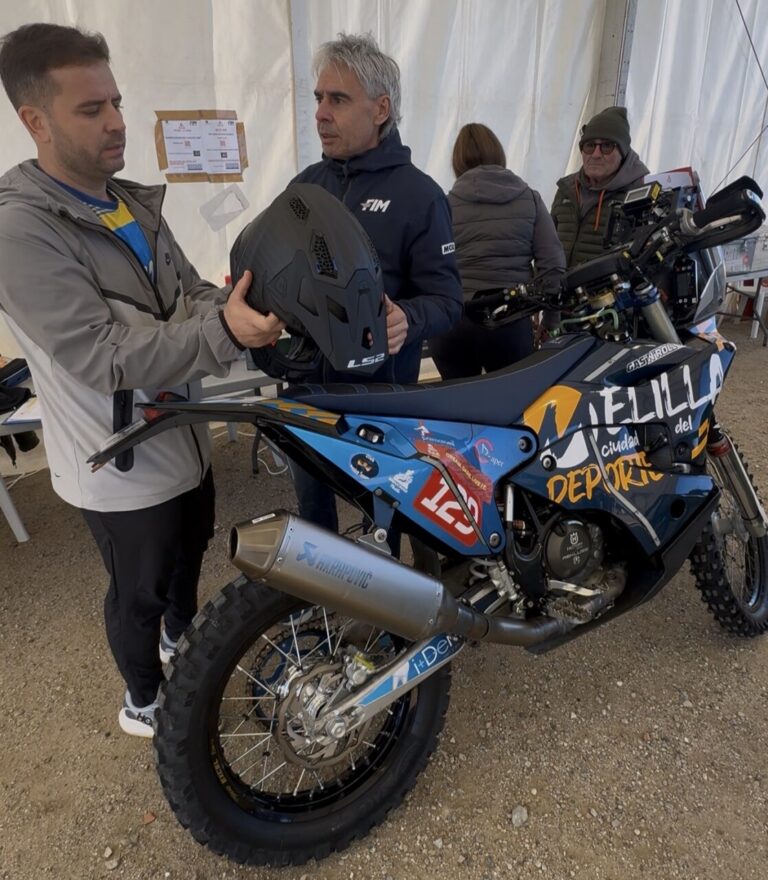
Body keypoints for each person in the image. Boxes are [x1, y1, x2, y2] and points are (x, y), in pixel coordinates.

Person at [0, 23, 284, 737]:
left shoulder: (127, 201)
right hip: (118, 460)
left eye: (117, 102)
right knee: (138, 593)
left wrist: (243, 305)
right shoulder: (21, 230)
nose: (119, 122)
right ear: (33, 120)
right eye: (91, 109)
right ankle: (144, 701)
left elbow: (187, 291)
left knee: (189, 560)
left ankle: (177, 646)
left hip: (182, 437)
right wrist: (224, 333)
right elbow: (99, 356)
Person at [288, 32, 463, 533]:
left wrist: (409, 317)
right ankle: (319, 600)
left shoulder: (421, 196)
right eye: (319, 98)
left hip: (381, 401)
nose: (321, 112)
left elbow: (448, 299)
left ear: (381, 109)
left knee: (383, 518)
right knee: (314, 514)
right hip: (308, 392)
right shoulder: (305, 187)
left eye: (338, 99)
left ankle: (386, 603)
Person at [429, 123, 565, 379]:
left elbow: (428, 268)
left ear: (457, 161)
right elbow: (553, 266)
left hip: (452, 324)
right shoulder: (530, 199)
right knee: (513, 406)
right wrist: (551, 320)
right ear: (498, 153)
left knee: (457, 409)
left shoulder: (443, 205)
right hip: (509, 324)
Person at [551, 105, 650, 267]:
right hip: (558, 289)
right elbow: (546, 244)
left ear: (623, 152)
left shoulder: (641, 193)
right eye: (589, 145)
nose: (596, 154)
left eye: (606, 146)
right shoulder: (565, 190)